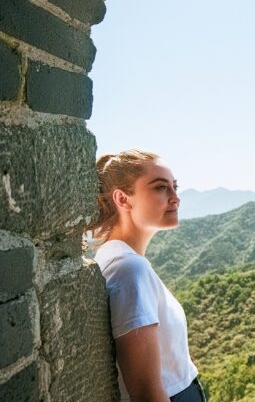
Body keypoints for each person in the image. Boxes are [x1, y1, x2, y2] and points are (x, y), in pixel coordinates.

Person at [85, 149, 206, 402]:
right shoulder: (129, 269)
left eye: (175, 186)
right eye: (161, 188)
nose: (176, 198)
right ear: (123, 199)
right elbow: (146, 393)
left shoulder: (118, 257)